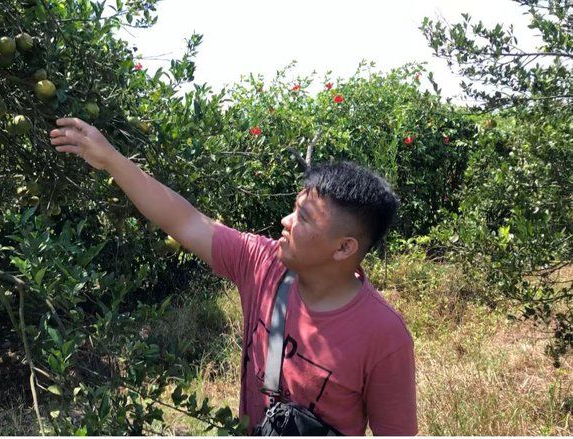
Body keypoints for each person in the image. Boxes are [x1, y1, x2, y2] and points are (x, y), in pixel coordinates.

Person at [49, 118, 418, 436]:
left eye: (303, 218)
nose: (285, 222)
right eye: (294, 209)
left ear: (343, 248)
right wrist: (111, 159)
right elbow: (186, 221)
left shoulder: (383, 336)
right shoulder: (263, 264)